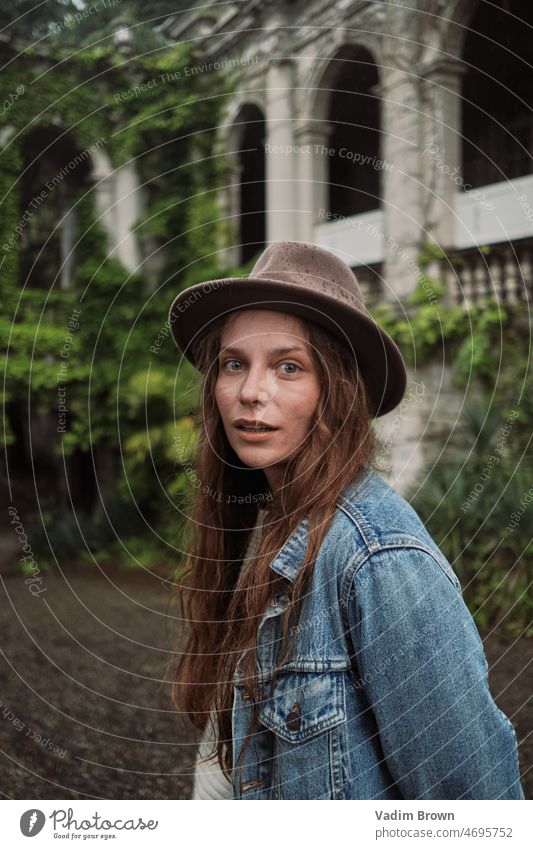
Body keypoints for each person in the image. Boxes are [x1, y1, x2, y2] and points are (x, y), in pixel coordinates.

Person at [168, 240, 525, 800]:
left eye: (289, 367)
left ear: (335, 391)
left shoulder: (378, 559)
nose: (250, 392)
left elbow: (474, 806)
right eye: (234, 363)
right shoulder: (262, 527)